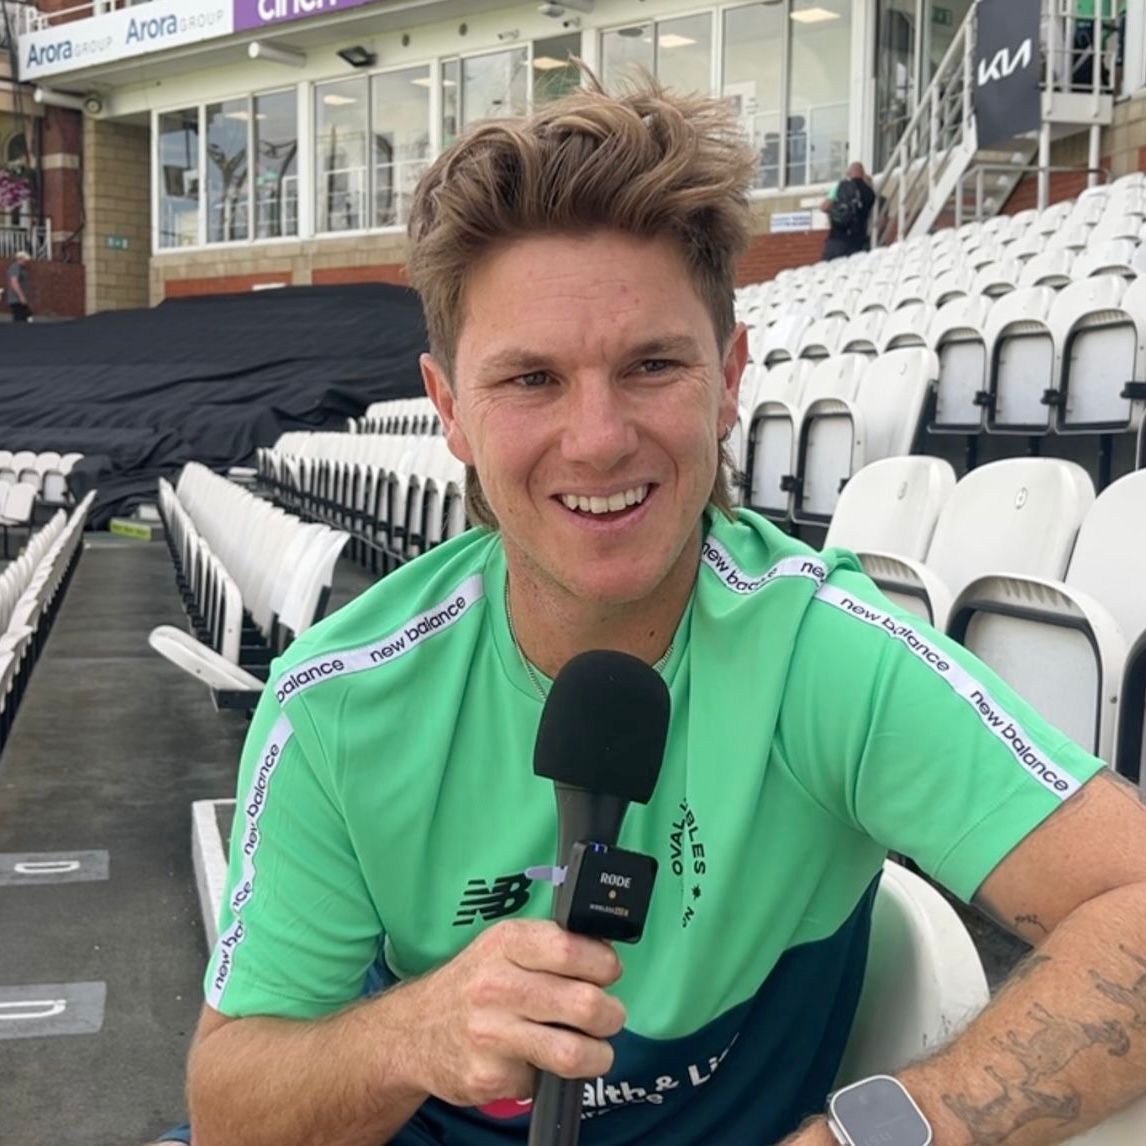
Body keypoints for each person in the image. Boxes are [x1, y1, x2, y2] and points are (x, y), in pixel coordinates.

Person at [166, 78, 1146, 1146]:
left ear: (728, 380)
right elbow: (231, 1105)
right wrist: (412, 1034)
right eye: (531, 379)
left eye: (651, 366)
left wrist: (881, 1132)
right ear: (450, 409)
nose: (597, 439)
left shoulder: (824, 654)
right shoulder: (337, 702)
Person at [819, 162, 876, 261]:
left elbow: (824, 207)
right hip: (858, 242)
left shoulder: (842, 186)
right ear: (863, 173)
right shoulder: (869, 193)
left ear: (849, 173)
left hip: (837, 239)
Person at [6, 250, 32, 323]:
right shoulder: (15, 267)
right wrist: (21, 297)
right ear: (19, 259)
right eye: (24, 259)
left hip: (20, 299)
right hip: (16, 300)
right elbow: (14, 282)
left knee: (24, 319)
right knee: (20, 321)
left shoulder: (21, 268)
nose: (26, 261)